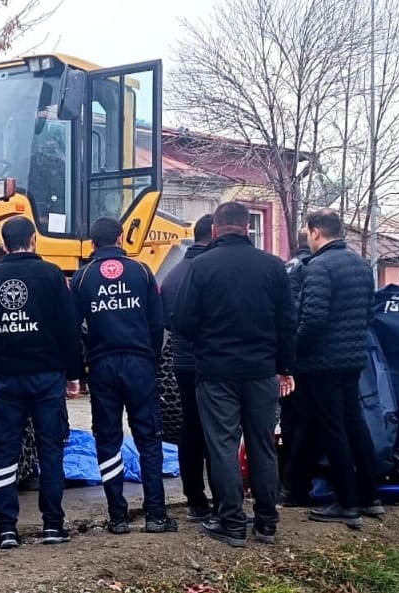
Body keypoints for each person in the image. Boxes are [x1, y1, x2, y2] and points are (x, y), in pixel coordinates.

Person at [173, 201, 295, 548]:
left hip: (216, 371)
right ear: (247, 228)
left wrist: (206, 341)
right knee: (263, 445)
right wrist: (285, 368)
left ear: (215, 230)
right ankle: (267, 523)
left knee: (223, 446)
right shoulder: (273, 267)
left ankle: (232, 523)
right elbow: (288, 323)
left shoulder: (201, 266)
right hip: (261, 371)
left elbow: (182, 322)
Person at [0, 216, 82, 548]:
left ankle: (7, 528)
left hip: (7, 378)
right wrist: (74, 373)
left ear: (3, 244)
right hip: (47, 376)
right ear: (33, 240)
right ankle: (53, 525)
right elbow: (67, 327)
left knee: (5, 451)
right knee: (50, 449)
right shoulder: (51, 275)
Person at [73, 217, 177, 535]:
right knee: (149, 438)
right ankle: (156, 515)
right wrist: (151, 358)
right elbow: (157, 323)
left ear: (92, 244)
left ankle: (117, 517)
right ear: (121, 238)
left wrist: (80, 368)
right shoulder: (142, 271)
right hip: (139, 364)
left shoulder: (81, 277)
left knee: (107, 440)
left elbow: (73, 329)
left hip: (102, 366)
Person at [293, 209, 381, 529]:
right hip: (352, 359)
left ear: (316, 231)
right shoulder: (361, 265)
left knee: (333, 429)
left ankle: (347, 502)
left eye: (307, 231)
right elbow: (369, 315)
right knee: (355, 424)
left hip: (322, 362)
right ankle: (370, 496)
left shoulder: (319, 266)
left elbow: (313, 319)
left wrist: (294, 349)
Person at [161, 215, 215, 522]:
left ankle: (195, 499)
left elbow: (169, 322)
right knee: (217, 430)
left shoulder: (173, 274)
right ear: (215, 234)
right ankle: (222, 501)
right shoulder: (213, 270)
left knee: (190, 428)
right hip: (214, 363)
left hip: (183, 363)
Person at [278, 230, 316, 507]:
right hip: (307, 358)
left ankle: (285, 480)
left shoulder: (287, 267)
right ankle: (296, 485)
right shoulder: (312, 269)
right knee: (307, 422)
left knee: (290, 419)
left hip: (285, 358)